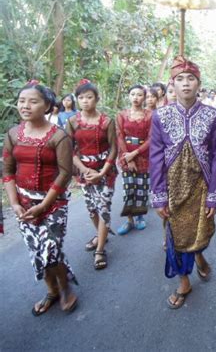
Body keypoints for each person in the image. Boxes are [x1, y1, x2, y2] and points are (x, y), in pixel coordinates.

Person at [150, 56, 216, 309]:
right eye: (179, 79)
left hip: (201, 185)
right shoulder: (161, 116)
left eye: (190, 78)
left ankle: (198, 253)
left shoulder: (213, 116)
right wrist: (158, 194)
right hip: (172, 186)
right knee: (174, 233)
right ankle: (184, 281)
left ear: (198, 83)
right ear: (172, 84)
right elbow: (156, 156)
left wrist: (215, 194)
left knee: (200, 228)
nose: (185, 84)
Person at [3, 80, 77, 315]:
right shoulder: (13, 134)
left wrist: (45, 204)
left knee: (51, 249)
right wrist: (14, 203)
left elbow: (65, 173)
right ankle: (51, 291)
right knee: (36, 250)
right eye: (22, 101)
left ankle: (65, 288)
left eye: (33, 101)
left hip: (53, 204)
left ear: (46, 106)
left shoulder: (59, 136)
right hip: (23, 204)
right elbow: (7, 171)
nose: (25, 106)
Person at [66, 79, 117, 270]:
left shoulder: (107, 121)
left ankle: (100, 250)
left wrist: (102, 172)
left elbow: (114, 149)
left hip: (106, 171)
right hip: (84, 171)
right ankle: (100, 234)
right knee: (91, 209)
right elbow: (69, 149)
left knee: (103, 207)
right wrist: (85, 170)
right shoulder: (72, 122)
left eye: (89, 97)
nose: (85, 101)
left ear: (97, 99)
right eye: (81, 97)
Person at [116, 85, 152, 235]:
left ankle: (140, 217)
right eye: (133, 94)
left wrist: (135, 153)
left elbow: (151, 138)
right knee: (128, 189)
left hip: (143, 156)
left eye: (139, 95)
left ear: (144, 97)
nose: (136, 98)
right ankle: (129, 219)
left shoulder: (150, 115)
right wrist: (128, 157)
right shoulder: (121, 115)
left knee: (142, 188)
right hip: (126, 156)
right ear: (128, 96)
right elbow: (119, 136)